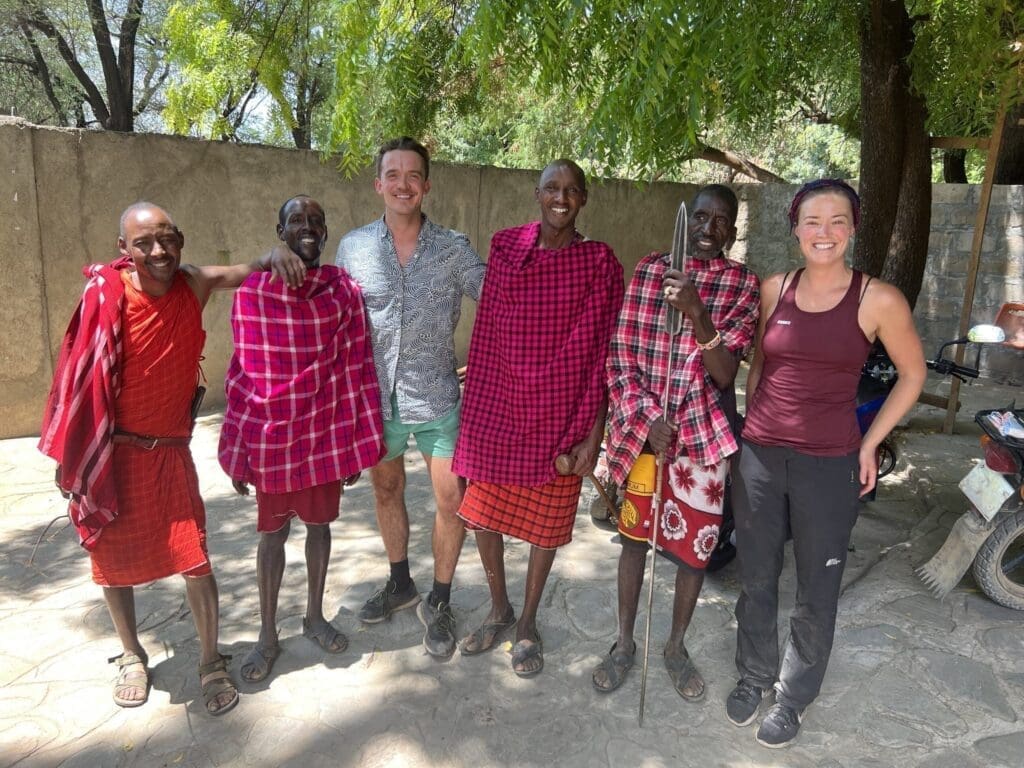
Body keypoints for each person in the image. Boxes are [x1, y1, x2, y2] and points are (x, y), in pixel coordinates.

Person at [38, 203, 301, 715]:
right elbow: (79, 379)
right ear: (124, 250)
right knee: (112, 564)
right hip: (115, 454)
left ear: (180, 240)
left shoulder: (191, 285)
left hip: (172, 454)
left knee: (195, 559)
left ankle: (209, 660)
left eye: (167, 238)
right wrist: (74, 457)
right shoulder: (105, 296)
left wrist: (277, 254)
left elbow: (244, 270)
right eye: (144, 243)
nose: (159, 251)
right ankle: (132, 655)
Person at [726, 179, 926, 747]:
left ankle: (792, 698)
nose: (825, 232)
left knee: (818, 586)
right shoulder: (773, 289)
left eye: (838, 221)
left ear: (853, 228)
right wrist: (751, 428)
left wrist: (869, 443)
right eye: (813, 221)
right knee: (757, 575)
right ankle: (754, 674)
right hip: (760, 458)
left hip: (830, 465)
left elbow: (913, 375)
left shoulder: (878, 299)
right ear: (795, 227)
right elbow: (761, 365)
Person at [454, 159, 625, 677]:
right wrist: (476, 415)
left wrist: (594, 434)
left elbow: (602, 352)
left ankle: (526, 621)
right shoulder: (506, 247)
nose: (561, 197)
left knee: (545, 527)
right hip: (499, 407)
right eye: (553, 187)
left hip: (563, 415)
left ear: (583, 200)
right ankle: (499, 606)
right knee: (482, 513)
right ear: (536, 193)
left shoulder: (599, 263)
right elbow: (488, 336)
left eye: (573, 190)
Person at [593, 185, 760, 699]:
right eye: (701, 218)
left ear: (733, 229)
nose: (709, 229)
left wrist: (696, 310)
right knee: (633, 540)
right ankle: (624, 642)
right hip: (648, 434)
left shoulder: (741, 284)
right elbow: (620, 357)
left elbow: (725, 372)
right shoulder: (649, 270)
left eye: (721, 220)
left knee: (695, 550)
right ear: (683, 224)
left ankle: (675, 646)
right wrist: (646, 420)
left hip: (704, 439)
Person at [219, 196, 385, 682]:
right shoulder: (252, 291)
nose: (307, 228)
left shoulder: (342, 292)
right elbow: (243, 376)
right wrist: (240, 450)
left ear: (325, 232)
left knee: (319, 526)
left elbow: (357, 366)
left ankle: (314, 616)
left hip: (325, 434)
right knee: (272, 535)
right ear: (280, 231)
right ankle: (267, 636)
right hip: (272, 438)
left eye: (315, 221)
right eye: (296, 221)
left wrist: (357, 441)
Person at [336, 137, 485, 658]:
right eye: (392, 175)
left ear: (427, 184)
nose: (403, 184)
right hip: (377, 403)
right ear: (378, 184)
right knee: (386, 492)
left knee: (452, 501)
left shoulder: (453, 247)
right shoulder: (353, 249)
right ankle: (401, 583)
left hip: (438, 399)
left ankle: (439, 599)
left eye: (413, 175)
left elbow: (498, 297)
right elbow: (336, 321)